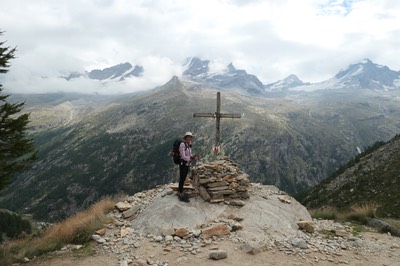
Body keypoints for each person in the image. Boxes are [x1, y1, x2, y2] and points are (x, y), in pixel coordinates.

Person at [178, 131, 199, 202]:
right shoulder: (182, 144)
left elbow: (189, 154)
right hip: (183, 164)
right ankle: (180, 192)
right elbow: (183, 156)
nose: (189, 138)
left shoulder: (188, 144)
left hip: (187, 164)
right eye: (188, 137)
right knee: (182, 177)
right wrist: (190, 158)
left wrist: (193, 157)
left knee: (184, 177)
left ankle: (181, 191)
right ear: (185, 137)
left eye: (190, 137)